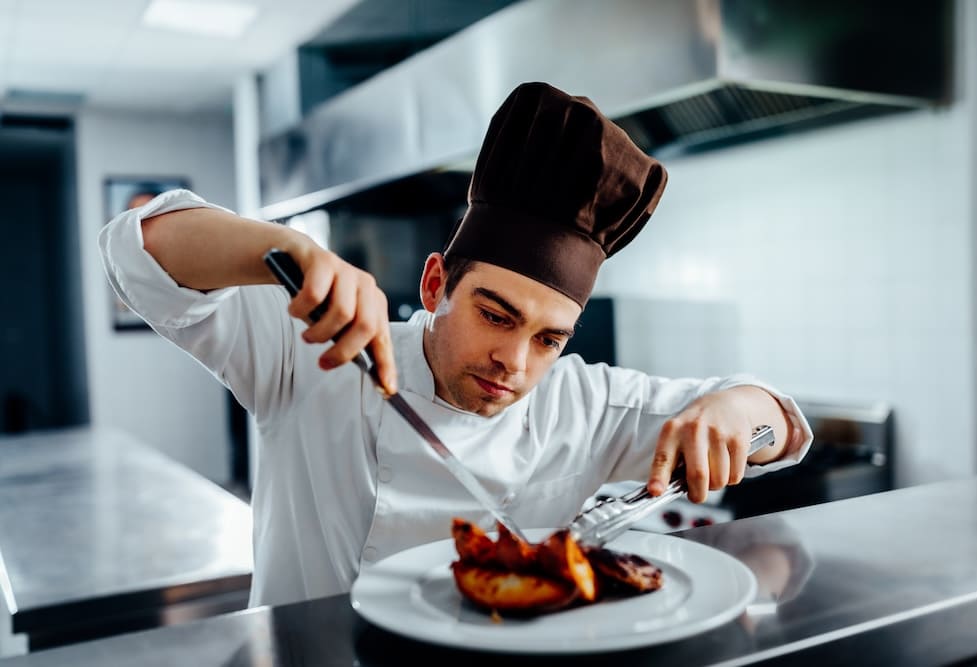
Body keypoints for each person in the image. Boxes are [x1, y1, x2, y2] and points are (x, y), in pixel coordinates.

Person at [99, 81, 813, 608]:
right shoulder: (325, 351)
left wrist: (735, 411)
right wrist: (282, 248)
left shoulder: (582, 404)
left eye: (548, 338)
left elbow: (777, 423)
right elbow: (135, 252)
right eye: (496, 316)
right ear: (436, 281)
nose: (516, 361)